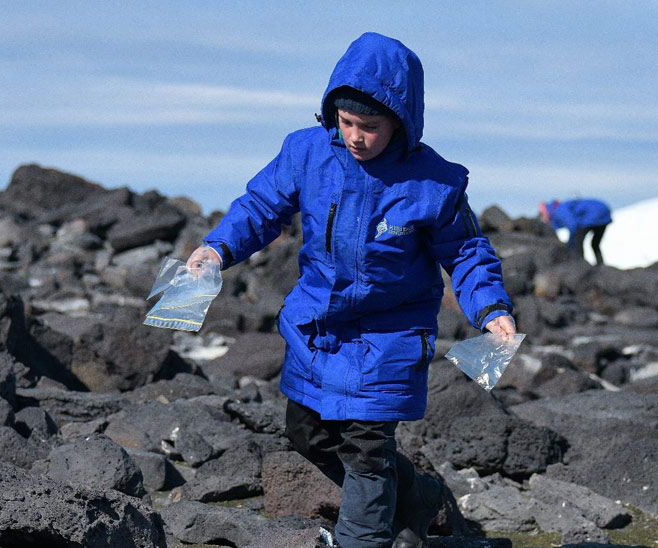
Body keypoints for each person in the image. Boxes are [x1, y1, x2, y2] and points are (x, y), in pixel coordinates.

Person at [186, 32, 516, 548]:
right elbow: (261, 208)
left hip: (390, 334)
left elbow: (467, 251)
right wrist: (217, 249)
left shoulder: (434, 183)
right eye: (347, 122)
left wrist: (491, 308)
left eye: (371, 126)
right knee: (308, 434)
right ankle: (415, 498)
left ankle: (362, 540)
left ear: (401, 121)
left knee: (365, 451)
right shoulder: (306, 152)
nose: (357, 136)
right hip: (318, 328)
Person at [539, 198, 612, 265]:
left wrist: (569, 244)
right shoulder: (560, 208)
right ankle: (601, 264)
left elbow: (573, 225)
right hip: (604, 213)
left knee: (577, 241)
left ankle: (581, 265)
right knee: (595, 243)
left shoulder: (558, 211)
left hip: (593, 214)